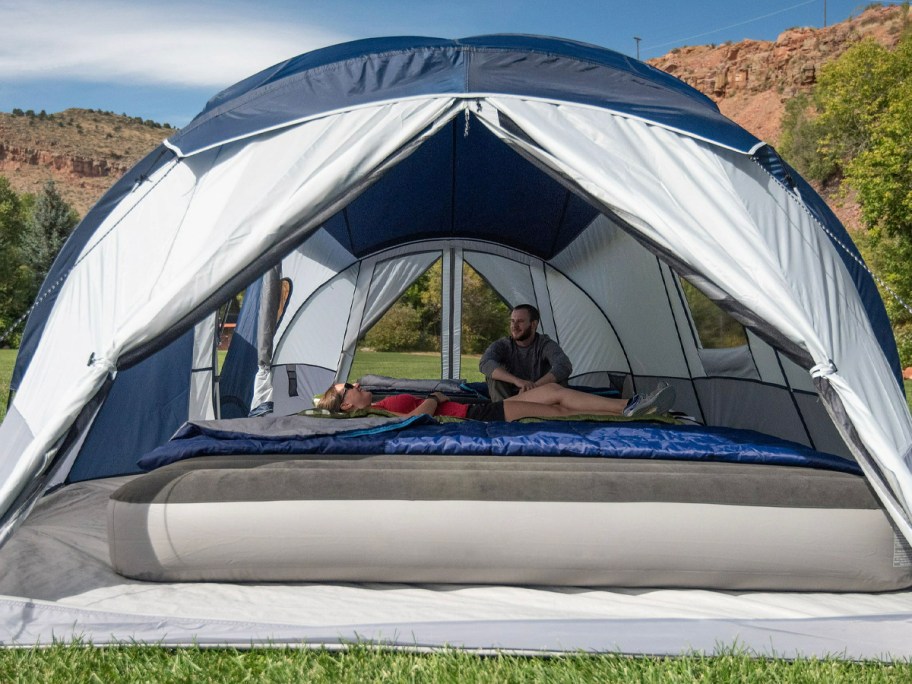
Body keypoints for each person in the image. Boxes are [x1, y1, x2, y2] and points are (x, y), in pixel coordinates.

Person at [317, 380, 676, 422]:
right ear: (347, 404)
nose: (356, 383)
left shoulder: (377, 406)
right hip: (478, 413)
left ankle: (630, 402)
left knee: (555, 393)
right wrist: (436, 397)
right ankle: (625, 410)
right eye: (348, 386)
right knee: (555, 408)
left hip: (472, 407)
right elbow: (418, 417)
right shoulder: (381, 410)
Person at [479, 304, 572, 401]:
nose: (514, 326)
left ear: (533, 324)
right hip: (509, 397)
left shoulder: (545, 344)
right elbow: (485, 363)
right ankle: (503, 411)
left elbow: (564, 365)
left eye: (520, 321)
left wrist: (532, 387)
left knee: (560, 378)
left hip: (539, 396)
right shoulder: (503, 344)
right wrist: (518, 381)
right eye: (512, 321)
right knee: (494, 377)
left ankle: (547, 412)